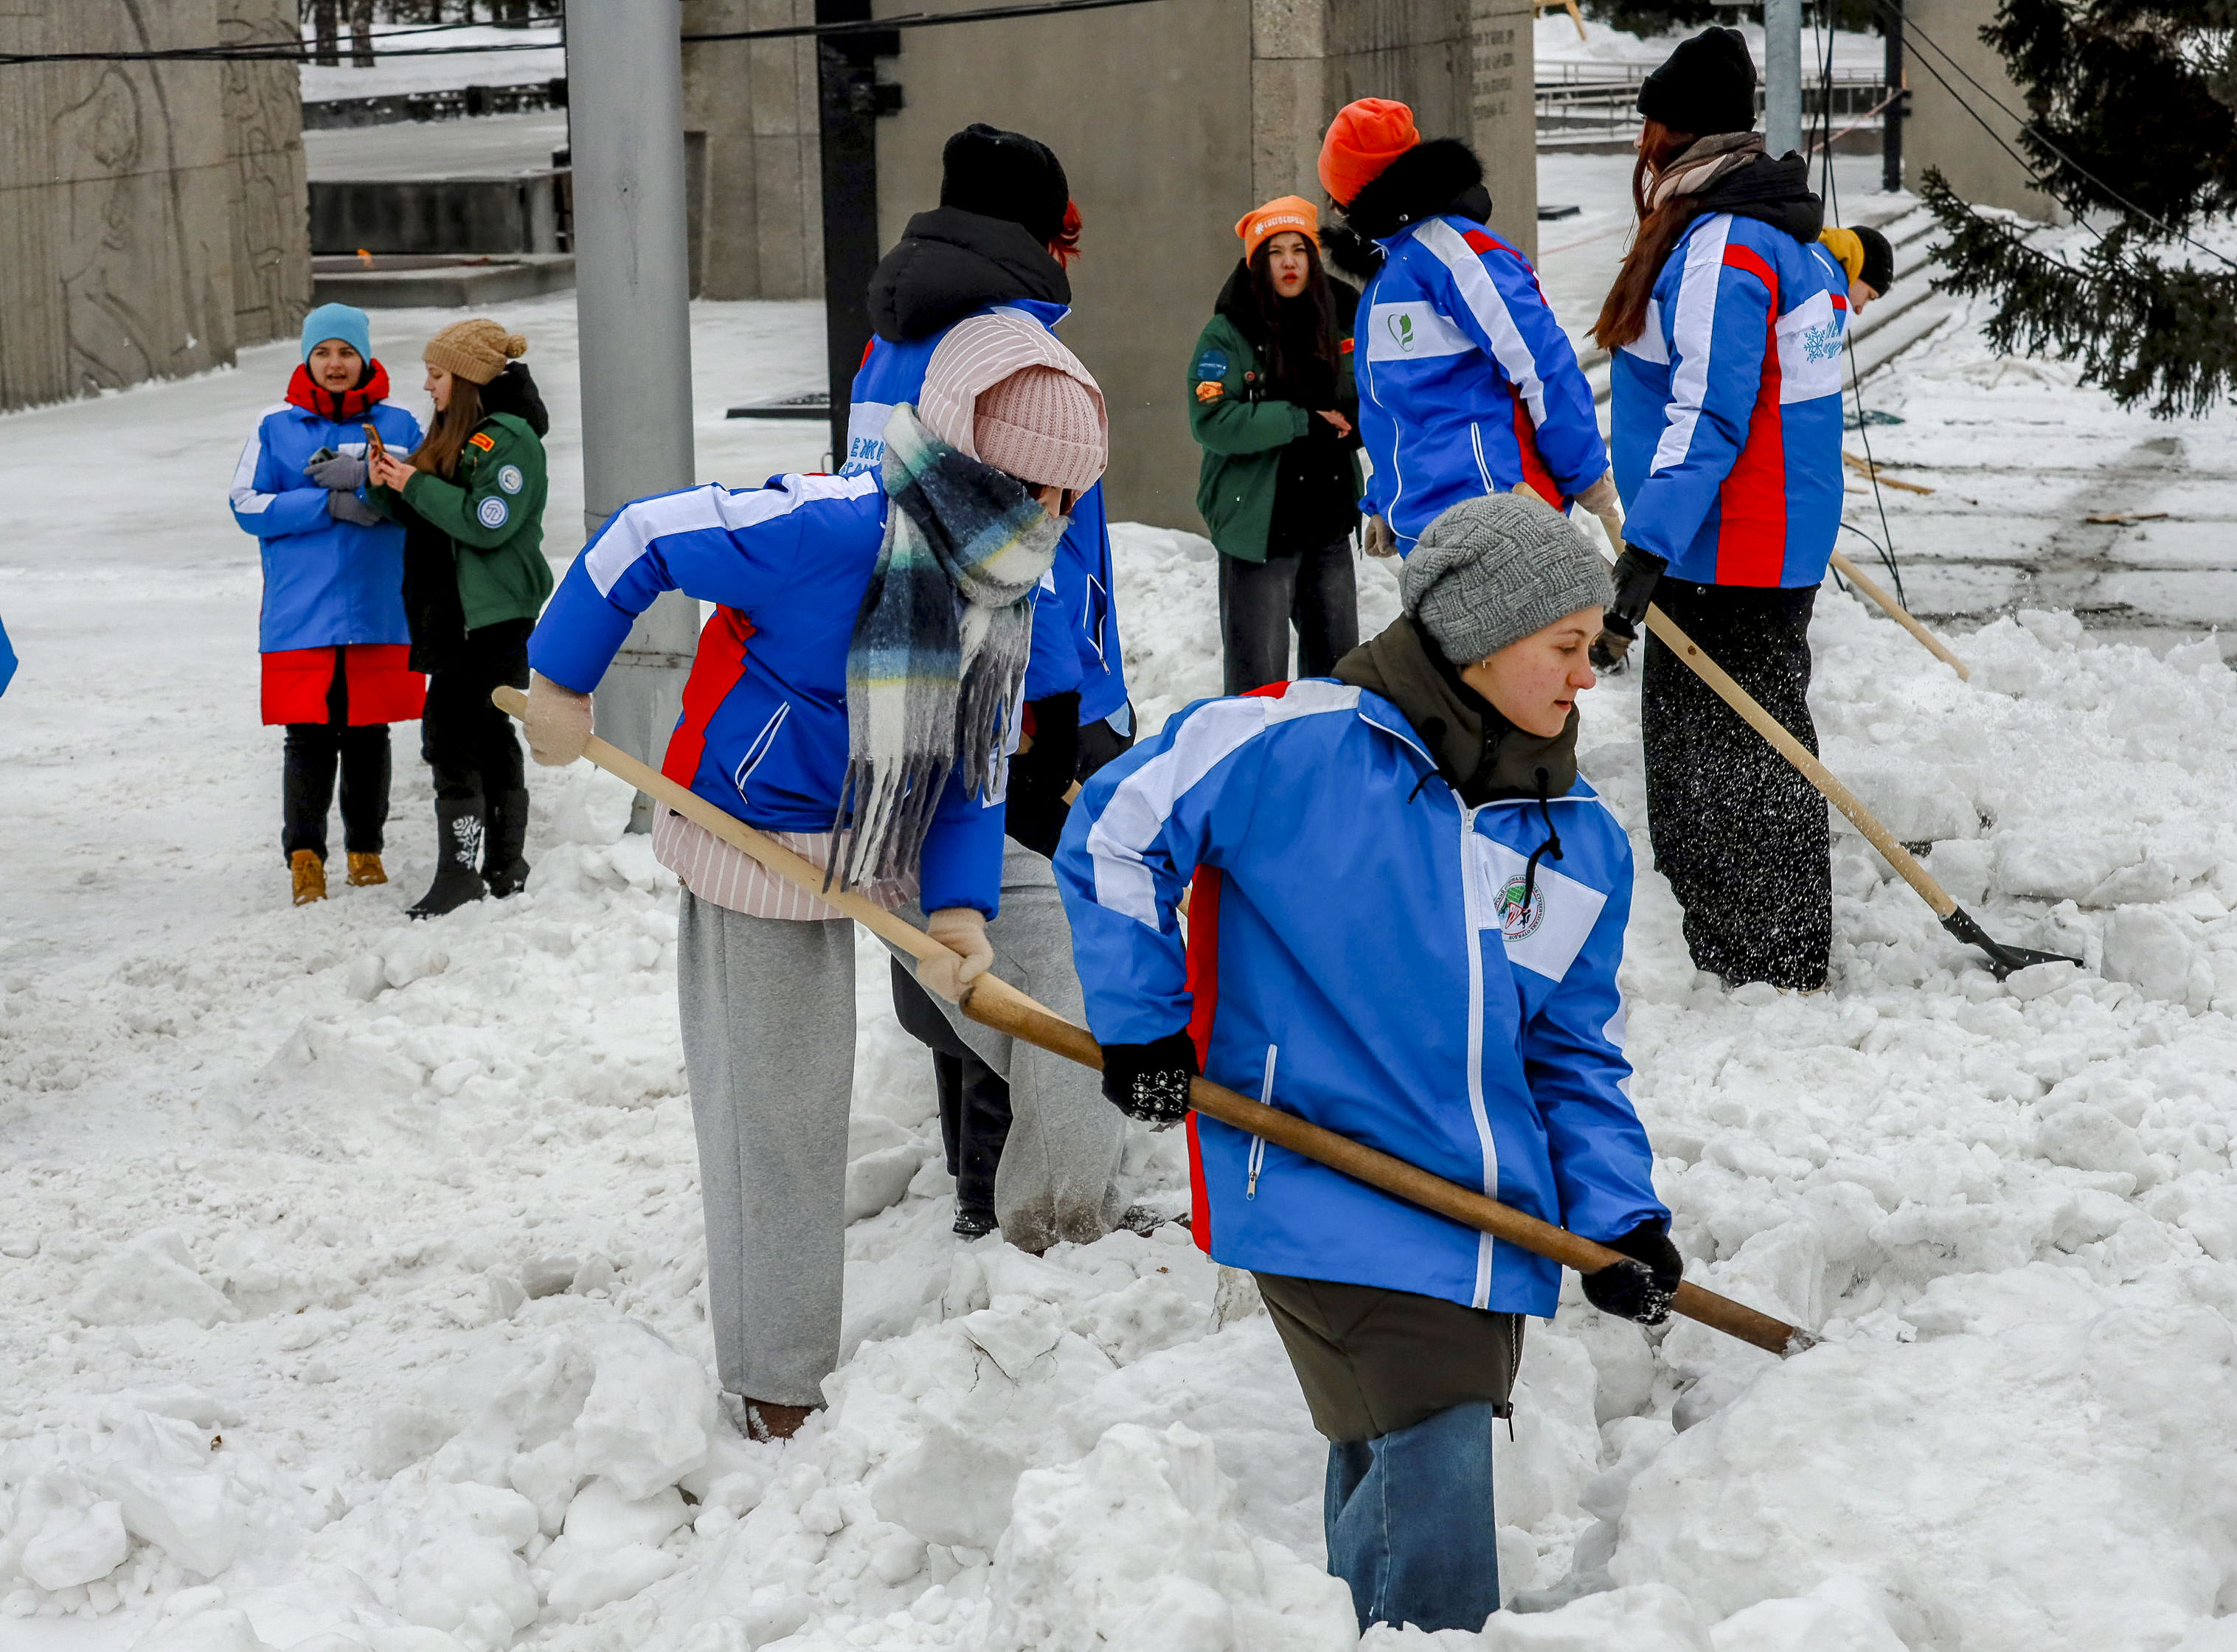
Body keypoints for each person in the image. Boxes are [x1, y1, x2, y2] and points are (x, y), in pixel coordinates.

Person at [1053, 493, 1682, 1636]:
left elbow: (1571, 1053)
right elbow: (1116, 830)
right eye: (1567, 647)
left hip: (1478, 1218)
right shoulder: (1294, 743)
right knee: (1431, 1444)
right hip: (1318, 1173)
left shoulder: (1572, 835)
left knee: (1386, 1453)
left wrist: (1619, 1218)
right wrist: (1144, 1024)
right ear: (1486, 635)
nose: (1588, 677)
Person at [521, 310, 1109, 1440]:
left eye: (1068, 498)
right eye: (1032, 489)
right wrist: (561, 676)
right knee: (781, 1109)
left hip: (905, 815)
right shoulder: (827, 528)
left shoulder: (1005, 577)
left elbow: (978, 754)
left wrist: (960, 908)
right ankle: (778, 1375)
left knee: (1057, 978)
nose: (1049, 520)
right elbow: (642, 534)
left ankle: (1062, 1238)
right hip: (760, 828)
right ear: (967, 459)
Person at [846, 123, 1131, 1245]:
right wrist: (1054, 711)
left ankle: (978, 1167)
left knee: (960, 923)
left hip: (915, 673)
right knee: (1052, 939)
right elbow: (1026, 557)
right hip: (1014, 696)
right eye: (1067, 233)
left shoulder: (892, 342)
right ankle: (1041, 1200)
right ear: (1035, 233)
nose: (1074, 257)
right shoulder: (1000, 351)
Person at [1589, 27, 1849, 991]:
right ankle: (1754, 949)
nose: (1640, 143)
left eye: (1650, 123)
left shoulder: (1727, 242)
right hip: (1757, 538)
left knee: (1734, 766)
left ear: (1678, 132)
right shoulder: (1778, 231)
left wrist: (1646, 547)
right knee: (1732, 752)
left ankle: (1771, 958)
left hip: (1723, 548)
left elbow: (1714, 409)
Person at [1314, 99, 1623, 558]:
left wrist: (1584, 471)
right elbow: (1393, 409)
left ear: (1352, 198)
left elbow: (1542, 364)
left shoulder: (1456, 253)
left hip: (1501, 518)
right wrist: (1385, 498)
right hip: (1431, 533)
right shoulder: (1388, 273)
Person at [227, 303, 428, 906]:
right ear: (307, 359)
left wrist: (376, 490)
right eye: (323, 353)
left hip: (378, 607)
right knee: (308, 735)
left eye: (346, 352)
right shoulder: (275, 427)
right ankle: (305, 856)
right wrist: (324, 505)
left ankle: (366, 850)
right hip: (302, 612)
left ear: (364, 358)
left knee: (370, 731)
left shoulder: (400, 424)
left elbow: (424, 496)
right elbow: (245, 505)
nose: (335, 364)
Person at [367, 318, 553, 920]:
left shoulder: (511, 438)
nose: (427, 386)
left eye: (437, 374)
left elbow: (484, 520)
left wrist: (416, 484)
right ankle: (500, 866)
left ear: (468, 379)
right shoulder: (459, 428)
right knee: (484, 733)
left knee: (452, 735)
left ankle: (464, 873)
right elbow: (432, 512)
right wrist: (388, 486)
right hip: (452, 613)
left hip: (490, 616)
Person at [1188, 195, 1364, 695]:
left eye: (1299, 249)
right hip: (1259, 524)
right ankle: (1255, 767)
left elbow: (1374, 392)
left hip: (1328, 516)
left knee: (1337, 675)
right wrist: (1301, 421)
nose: (1289, 262)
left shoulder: (1343, 316)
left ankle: (1324, 765)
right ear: (1256, 262)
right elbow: (1213, 419)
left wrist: (1359, 422)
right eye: (1274, 252)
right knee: (1256, 683)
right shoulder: (1229, 331)